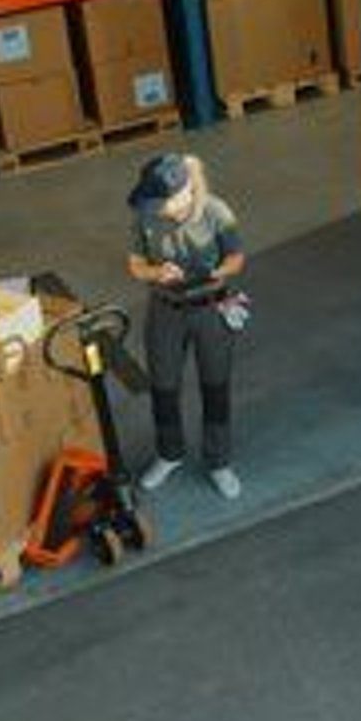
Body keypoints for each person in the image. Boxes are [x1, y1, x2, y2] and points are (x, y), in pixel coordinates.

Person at [126, 153, 247, 500]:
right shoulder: (145, 217)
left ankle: (218, 461)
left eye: (159, 201)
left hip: (211, 308)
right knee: (163, 387)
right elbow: (135, 264)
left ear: (184, 193)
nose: (153, 209)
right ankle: (169, 453)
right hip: (165, 310)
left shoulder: (215, 212)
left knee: (215, 386)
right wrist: (156, 273)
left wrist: (212, 273)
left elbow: (237, 259)